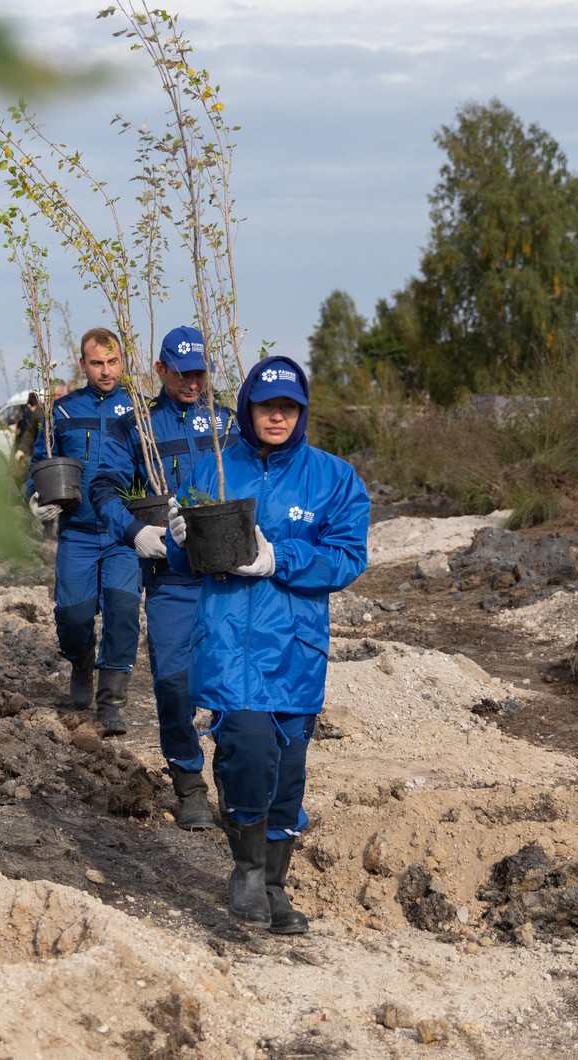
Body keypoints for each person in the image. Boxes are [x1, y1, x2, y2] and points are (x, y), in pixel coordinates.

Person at [165, 354, 370, 934]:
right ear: (247, 408)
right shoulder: (213, 471)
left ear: (301, 413)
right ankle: (248, 870)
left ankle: (276, 883)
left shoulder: (334, 478)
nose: (275, 416)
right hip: (229, 640)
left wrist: (281, 557)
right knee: (248, 747)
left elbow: (349, 556)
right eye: (265, 406)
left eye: (287, 407)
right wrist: (178, 539)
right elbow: (190, 560)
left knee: (289, 766)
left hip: (296, 647)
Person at [89, 325, 237, 827]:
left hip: (228, 577)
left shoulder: (228, 423)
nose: (192, 382)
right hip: (171, 578)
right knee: (174, 686)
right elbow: (103, 487)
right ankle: (189, 784)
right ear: (160, 370)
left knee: (234, 686)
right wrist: (133, 532)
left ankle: (236, 783)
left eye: (200, 373)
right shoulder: (137, 426)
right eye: (182, 373)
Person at [25, 328, 140, 732]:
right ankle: (80, 662)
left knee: (123, 611)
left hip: (125, 535)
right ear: (83, 365)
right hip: (77, 531)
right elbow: (40, 462)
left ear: (123, 361)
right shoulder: (64, 412)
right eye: (97, 363)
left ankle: (111, 702)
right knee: (72, 618)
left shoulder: (140, 411)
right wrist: (34, 498)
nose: (105, 371)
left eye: (112, 362)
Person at [13, 391, 42, 459]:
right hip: (30, 447)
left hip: (25, 444)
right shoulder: (35, 413)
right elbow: (30, 432)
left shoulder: (25, 411)